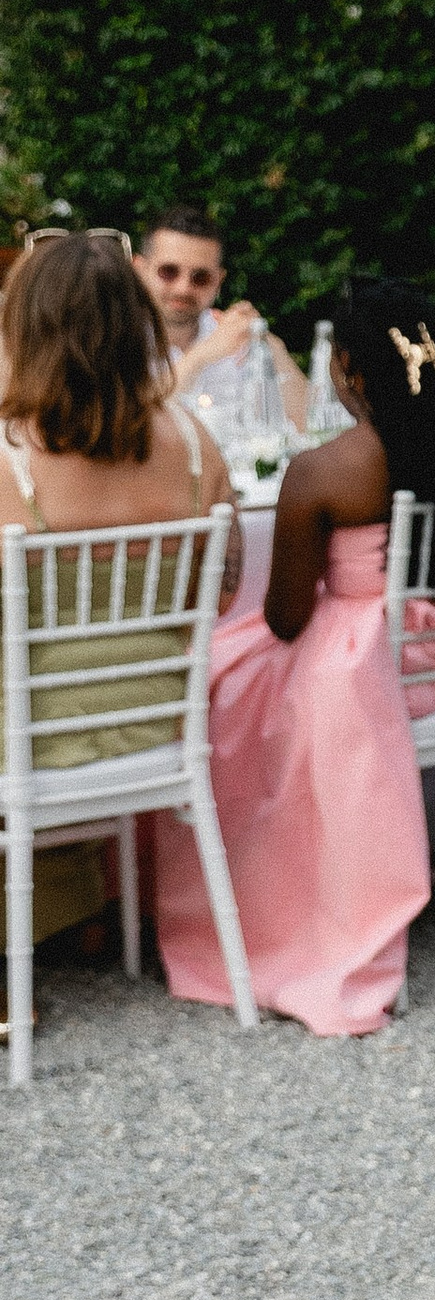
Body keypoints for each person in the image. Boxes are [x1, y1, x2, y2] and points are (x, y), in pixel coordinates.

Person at [158, 279, 435, 1037]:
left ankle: (273, 909)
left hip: (380, 673)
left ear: (346, 368)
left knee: (229, 694)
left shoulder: (326, 469)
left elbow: (287, 618)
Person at [0, 232, 237, 981]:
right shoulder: (198, 448)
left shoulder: (10, 458)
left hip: (33, 741)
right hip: (153, 725)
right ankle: (69, 911)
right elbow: (222, 591)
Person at [135, 206, 308, 428]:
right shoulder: (115, 334)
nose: (183, 288)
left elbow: (311, 425)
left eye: (201, 277)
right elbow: (128, 420)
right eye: (168, 271)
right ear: (139, 270)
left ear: (218, 280)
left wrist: (271, 346)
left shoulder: (235, 336)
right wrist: (203, 354)